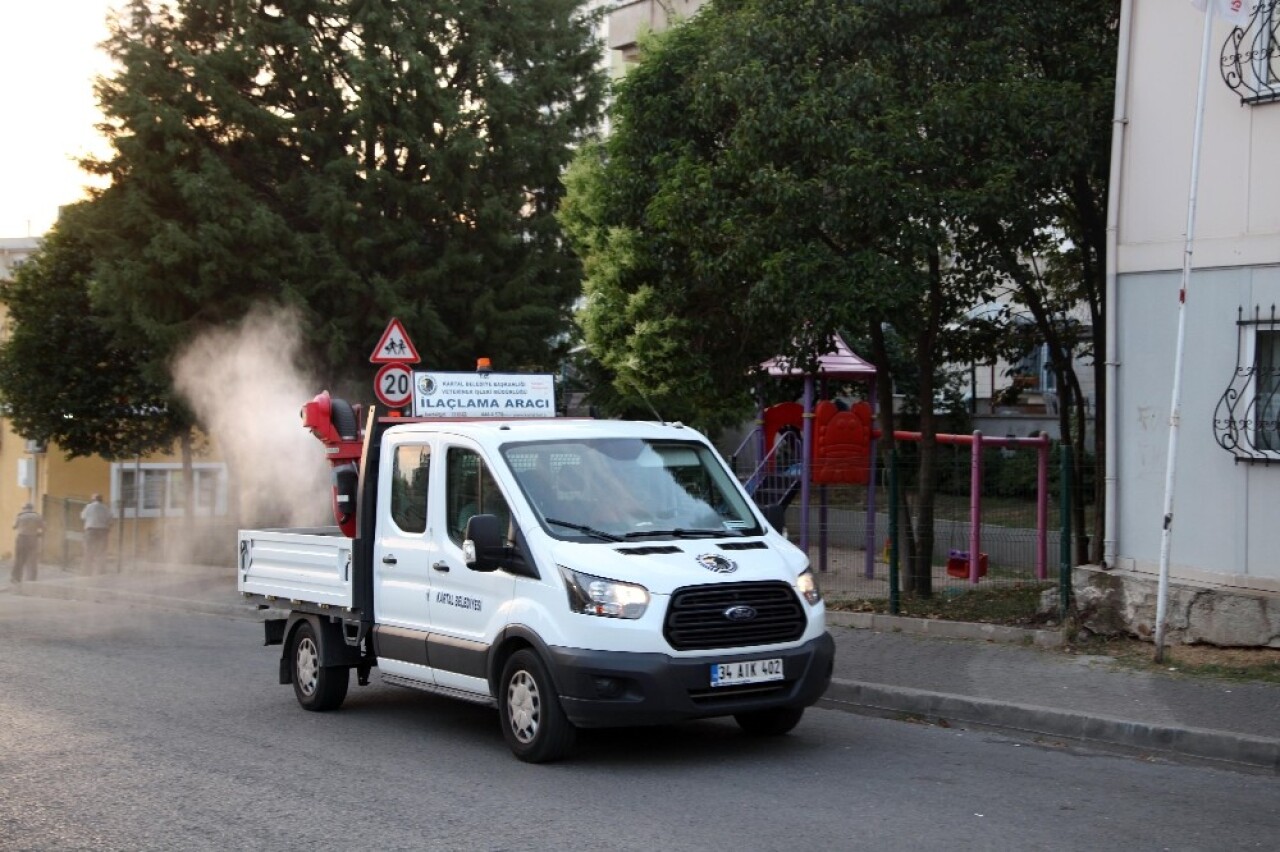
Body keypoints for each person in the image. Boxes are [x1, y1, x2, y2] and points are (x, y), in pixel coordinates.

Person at [11, 502, 44, 584]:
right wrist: (39, 534)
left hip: (21, 538)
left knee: (19, 559)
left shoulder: (20, 516)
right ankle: (31, 578)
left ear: (24, 508)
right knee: (32, 560)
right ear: (32, 508)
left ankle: (16, 578)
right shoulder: (37, 516)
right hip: (33, 539)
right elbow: (43, 527)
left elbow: (14, 526)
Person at [81, 493, 112, 575]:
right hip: (103, 531)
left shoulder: (89, 506)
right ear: (101, 499)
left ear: (93, 499)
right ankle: (101, 571)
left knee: (88, 551)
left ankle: (87, 571)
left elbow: (83, 516)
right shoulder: (106, 508)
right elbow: (110, 519)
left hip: (91, 530)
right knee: (101, 551)